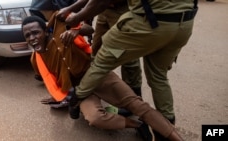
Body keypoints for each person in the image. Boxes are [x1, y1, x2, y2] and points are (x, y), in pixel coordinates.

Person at [22, 15, 184, 141]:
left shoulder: (62, 34)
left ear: (45, 31)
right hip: (80, 90)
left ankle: (176, 138)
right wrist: (58, 97)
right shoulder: (35, 60)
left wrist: (75, 31)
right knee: (95, 118)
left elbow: (89, 30)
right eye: (27, 35)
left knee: (137, 105)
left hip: (96, 74)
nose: (32, 38)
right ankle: (139, 125)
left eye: (35, 32)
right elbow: (52, 79)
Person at [56, 0, 198, 138]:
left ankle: (76, 99)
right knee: (158, 77)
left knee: (103, 62)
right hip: (183, 22)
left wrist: (76, 17)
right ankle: (164, 131)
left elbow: (101, 2)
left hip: (149, 20)